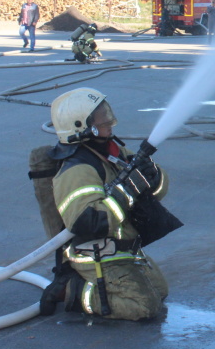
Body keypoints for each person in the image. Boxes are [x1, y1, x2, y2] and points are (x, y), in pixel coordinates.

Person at [40, 88, 175, 320]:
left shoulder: (115, 152)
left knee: (160, 292)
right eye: (102, 117)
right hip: (96, 255)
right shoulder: (78, 170)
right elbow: (88, 222)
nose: (109, 122)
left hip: (125, 248)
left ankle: (102, 285)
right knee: (143, 306)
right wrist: (128, 192)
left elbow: (156, 195)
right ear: (82, 125)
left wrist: (154, 177)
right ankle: (74, 291)